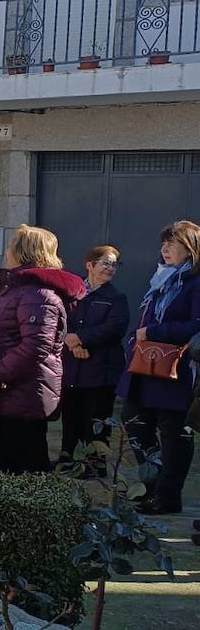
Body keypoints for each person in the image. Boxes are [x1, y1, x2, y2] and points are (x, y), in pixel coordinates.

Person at [0, 225, 85, 475]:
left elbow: (36, 345)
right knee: (9, 462)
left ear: (23, 252)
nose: (7, 250)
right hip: (9, 393)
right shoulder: (18, 289)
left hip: (24, 392)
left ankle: (32, 515)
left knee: (26, 466)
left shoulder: (38, 294)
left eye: (12, 246)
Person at [117, 221, 200, 515]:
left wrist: (154, 331)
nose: (165, 249)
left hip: (175, 370)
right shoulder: (162, 278)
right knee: (133, 420)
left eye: (173, 243)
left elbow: (195, 326)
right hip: (146, 367)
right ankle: (151, 484)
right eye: (164, 243)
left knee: (173, 432)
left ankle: (167, 495)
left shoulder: (194, 281)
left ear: (190, 248)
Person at [59, 245, 129, 472]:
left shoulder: (116, 297)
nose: (111, 269)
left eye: (114, 264)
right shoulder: (72, 291)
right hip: (72, 366)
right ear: (89, 264)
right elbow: (61, 319)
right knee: (71, 416)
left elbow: (114, 329)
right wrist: (72, 342)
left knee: (96, 419)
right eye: (106, 263)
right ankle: (67, 459)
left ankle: (95, 466)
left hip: (101, 370)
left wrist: (80, 339)